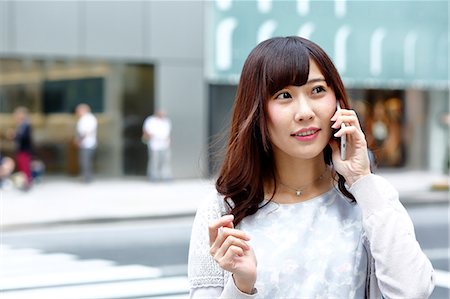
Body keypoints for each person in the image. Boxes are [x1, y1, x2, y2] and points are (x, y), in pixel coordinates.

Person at [188, 36, 434, 298]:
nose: (304, 112)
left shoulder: (367, 195)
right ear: (258, 110)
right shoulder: (222, 209)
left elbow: (413, 291)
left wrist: (361, 179)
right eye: (284, 95)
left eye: (317, 90)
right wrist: (242, 286)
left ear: (338, 102)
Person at [142, 110, 172, 181]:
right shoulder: (150, 121)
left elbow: (168, 132)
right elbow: (146, 131)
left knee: (165, 161)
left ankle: (165, 176)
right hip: (154, 145)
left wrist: (168, 140)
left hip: (165, 144)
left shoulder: (166, 121)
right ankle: (153, 176)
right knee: (154, 161)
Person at [8, 106, 34, 189]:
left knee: (25, 166)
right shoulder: (20, 125)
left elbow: (23, 137)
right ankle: (24, 182)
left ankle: (27, 182)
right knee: (22, 167)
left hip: (24, 150)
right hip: (20, 150)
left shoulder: (26, 125)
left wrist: (14, 135)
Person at [74, 103, 97, 183]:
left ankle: (87, 178)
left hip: (87, 143)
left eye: (78, 110)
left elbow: (86, 131)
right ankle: (85, 177)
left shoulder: (88, 119)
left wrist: (79, 140)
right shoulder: (84, 118)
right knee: (84, 161)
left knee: (86, 161)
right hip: (85, 143)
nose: (77, 112)